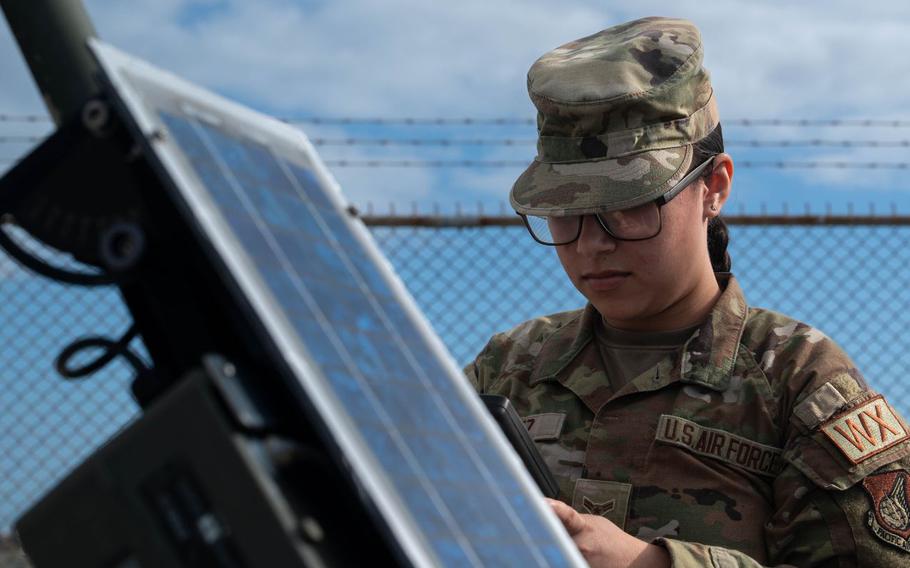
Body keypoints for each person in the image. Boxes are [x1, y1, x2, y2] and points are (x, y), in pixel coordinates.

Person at [464, 16, 910, 567]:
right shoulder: (507, 367)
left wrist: (654, 564)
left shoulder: (798, 381)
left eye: (629, 207)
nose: (591, 245)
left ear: (713, 187)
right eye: (566, 213)